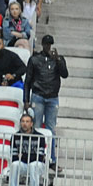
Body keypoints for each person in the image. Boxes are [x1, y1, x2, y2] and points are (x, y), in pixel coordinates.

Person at [24, 34, 68, 168]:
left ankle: (52, 159)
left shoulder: (59, 59)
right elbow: (28, 80)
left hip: (52, 97)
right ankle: (36, 157)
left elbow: (65, 74)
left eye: (50, 44)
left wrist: (58, 60)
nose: (49, 47)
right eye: (46, 44)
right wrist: (26, 99)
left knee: (51, 130)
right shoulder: (34, 59)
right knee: (36, 128)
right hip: (38, 95)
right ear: (42, 45)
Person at [9, 113, 47, 186]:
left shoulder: (40, 137)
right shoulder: (15, 136)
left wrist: (23, 156)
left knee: (33, 165)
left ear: (31, 124)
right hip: (24, 165)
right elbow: (14, 157)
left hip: (38, 165)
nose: (24, 124)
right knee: (14, 165)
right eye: (23, 121)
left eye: (27, 121)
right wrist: (30, 156)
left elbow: (40, 157)